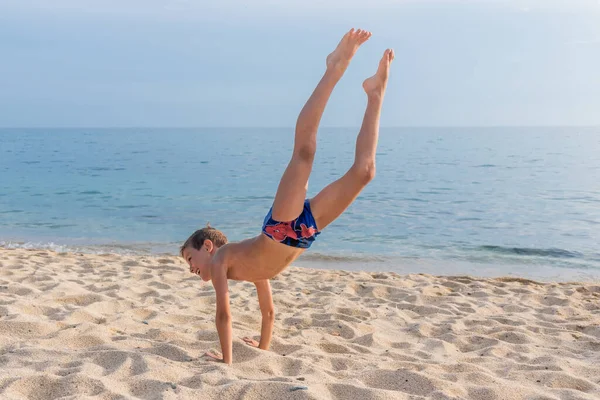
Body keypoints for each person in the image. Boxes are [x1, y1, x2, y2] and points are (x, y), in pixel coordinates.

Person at [180, 28, 394, 364]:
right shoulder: (249, 269)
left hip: (281, 227)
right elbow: (268, 313)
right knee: (365, 172)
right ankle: (375, 94)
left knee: (304, 152)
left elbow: (223, 316)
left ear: (207, 248)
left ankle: (334, 67)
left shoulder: (223, 260)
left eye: (189, 259)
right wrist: (263, 348)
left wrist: (226, 361)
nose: (190, 268)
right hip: (303, 236)